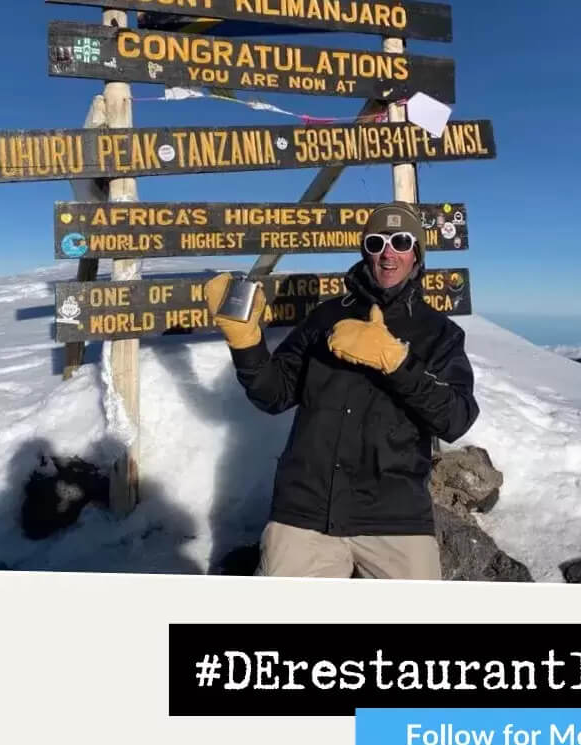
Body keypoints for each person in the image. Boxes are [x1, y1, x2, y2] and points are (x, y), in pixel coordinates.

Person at [203, 201, 479, 580]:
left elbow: (456, 418)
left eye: (400, 242)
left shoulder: (440, 334)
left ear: (416, 254)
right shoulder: (325, 317)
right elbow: (273, 394)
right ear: (364, 249)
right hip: (305, 513)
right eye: (377, 242)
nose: (388, 253)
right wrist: (246, 343)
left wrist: (397, 363)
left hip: (395, 519)